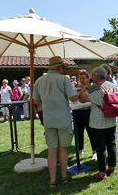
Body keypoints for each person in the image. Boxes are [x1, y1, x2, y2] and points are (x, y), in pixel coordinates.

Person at [33, 56, 79, 188]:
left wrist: (43, 108)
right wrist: (81, 92)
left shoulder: (39, 80)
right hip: (63, 119)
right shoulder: (64, 79)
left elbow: (36, 101)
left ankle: (52, 180)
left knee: (51, 150)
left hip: (48, 120)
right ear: (59, 67)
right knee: (63, 149)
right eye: (63, 68)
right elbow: (72, 98)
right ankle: (64, 178)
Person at [79, 67, 118, 180]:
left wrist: (85, 87)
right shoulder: (112, 85)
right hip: (111, 120)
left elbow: (81, 99)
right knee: (111, 145)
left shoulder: (93, 88)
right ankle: (111, 167)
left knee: (100, 148)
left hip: (98, 123)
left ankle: (102, 173)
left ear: (96, 76)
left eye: (92, 75)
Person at [74, 71, 97, 160]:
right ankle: (80, 149)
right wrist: (83, 89)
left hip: (89, 111)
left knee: (91, 132)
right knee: (78, 132)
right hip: (78, 111)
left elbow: (87, 99)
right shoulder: (76, 87)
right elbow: (76, 98)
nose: (81, 80)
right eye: (80, 78)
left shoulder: (93, 87)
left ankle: (95, 151)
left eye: (83, 78)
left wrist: (84, 89)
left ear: (88, 78)